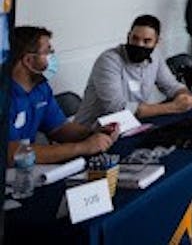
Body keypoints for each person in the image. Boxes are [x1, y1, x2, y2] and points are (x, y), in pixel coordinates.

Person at [7, 26, 119, 165]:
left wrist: (93, 132)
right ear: (29, 61)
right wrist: (82, 147)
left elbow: (59, 129)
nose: (53, 57)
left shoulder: (41, 88)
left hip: (27, 170)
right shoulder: (5, 97)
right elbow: (11, 152)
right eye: (48, 52)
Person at [75, 15, 192, 127]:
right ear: (128, 36)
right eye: (135, 38)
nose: (139, 45)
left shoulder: (155, 56)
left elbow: (171, 85)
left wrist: (188, 97)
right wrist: (173, 107)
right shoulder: (109, 60)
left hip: (131, 126)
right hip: (90, 132)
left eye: (147, 41)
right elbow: (116, 108)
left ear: (156, 43)